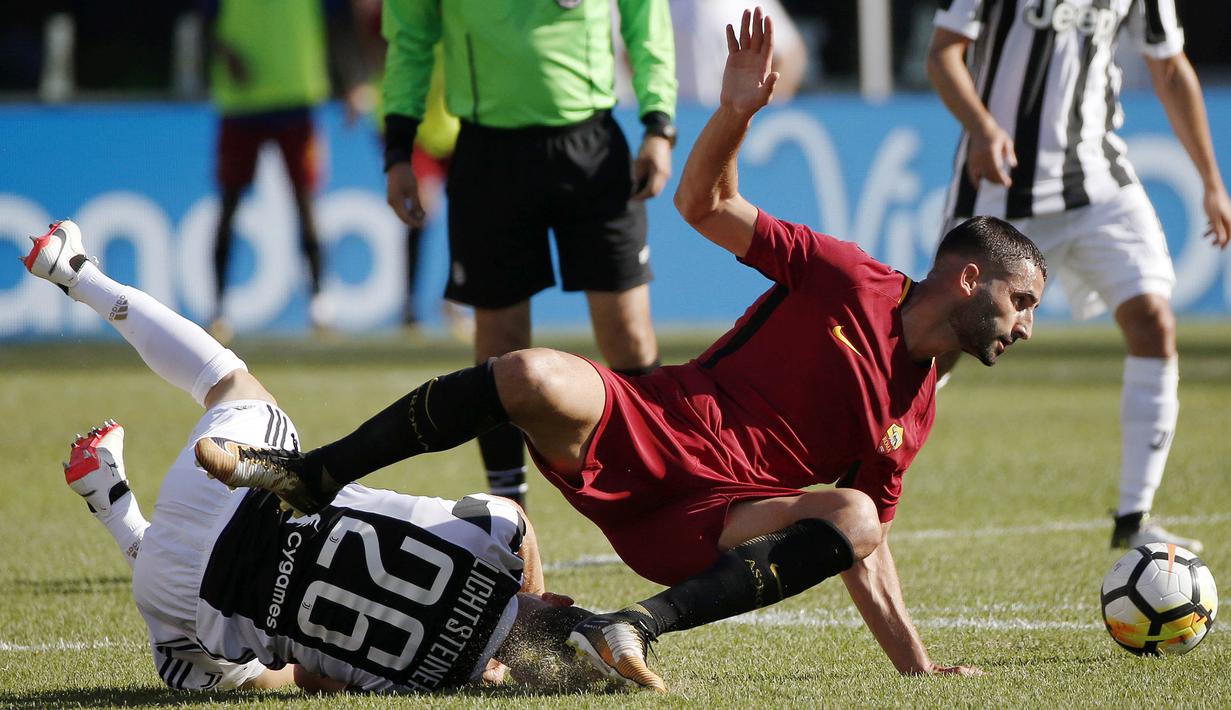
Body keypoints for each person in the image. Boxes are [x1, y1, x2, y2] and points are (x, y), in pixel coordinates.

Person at [196, 9, 1047, 688]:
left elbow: (864, 545)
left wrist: (916, 668)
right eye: (1020, 303)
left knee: (857, 515)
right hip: (652, 421)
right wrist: (734, 114)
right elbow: (704, 205)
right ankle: (314, 475)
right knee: (526, 373)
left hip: (714, 520)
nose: (1024, 327)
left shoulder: (913, 414)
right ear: (968, 280)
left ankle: (631, 626)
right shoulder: (851, 277)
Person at [22, 220, 606, 693]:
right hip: (189, 601)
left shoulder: (497, 533)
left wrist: (525, 598)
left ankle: (78, 272)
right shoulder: (426, 683)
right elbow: (313, 679)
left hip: (242, 495)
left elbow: (516, 518)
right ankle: (118, 513)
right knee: (251, 673)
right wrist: (487, 667)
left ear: (556, 600)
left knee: (230, 383)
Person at [927, 0, 1231, 552]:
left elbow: (1169, 68)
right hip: (1002, 182)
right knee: (940, 342)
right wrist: (982, 126)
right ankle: (863, 464)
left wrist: (1211, 180)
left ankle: (1134, 517)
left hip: (1098, 182)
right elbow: (943, 53)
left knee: (1154, 320)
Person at [381, 0, 678, 507]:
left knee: (628, 333)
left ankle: (662, 491)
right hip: (488, 155)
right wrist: (398, 149)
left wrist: (659, 124)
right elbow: (410, 40)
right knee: (500, 343)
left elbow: (645, 20)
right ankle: (509, 512)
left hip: (592, 148)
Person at [204, 0, 361, 340]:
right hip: (241, 102)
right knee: (229, 204)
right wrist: (226, 53)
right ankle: (218, 306)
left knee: (305, 201)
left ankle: (319, 301)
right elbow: (204, 23)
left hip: (297, 96)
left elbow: (335, 25)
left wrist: (351, 81)